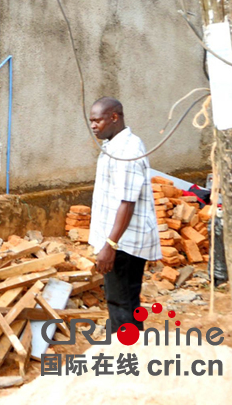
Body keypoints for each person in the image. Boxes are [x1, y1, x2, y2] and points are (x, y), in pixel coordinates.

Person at [88, 97, 162, 332]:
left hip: (124, 243)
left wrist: (110, 245)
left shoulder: (127, 150)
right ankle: (131, 354)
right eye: (91, 121)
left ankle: (125, 359)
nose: (93, 126)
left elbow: (127, 202)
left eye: (97, 120)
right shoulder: (114, 145)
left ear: (114, 117)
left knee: (121, 304)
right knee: (124, 303)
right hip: (119, 240)